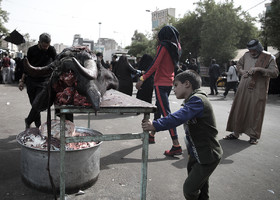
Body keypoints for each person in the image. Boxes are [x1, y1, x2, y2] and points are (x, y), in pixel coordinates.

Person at [142, 70, 223, 199]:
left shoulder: (198, 100)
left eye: (175, 85)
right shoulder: (191, 100)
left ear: (187, 84)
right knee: (201, 190)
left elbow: (177, 117)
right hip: (197, 154)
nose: (173, 89)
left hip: (207, 155)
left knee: (189, 189)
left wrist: (155, 125)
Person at [136, 25, 182, 156]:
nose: (157, 37)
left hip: (160, 83)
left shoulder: (163, 46)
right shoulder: (177, 47)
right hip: (168, 83)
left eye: (158, 35)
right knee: (159, 109)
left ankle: (176, 144)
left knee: (167, 114)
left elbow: (155, 64)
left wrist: (142, 78)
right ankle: (151, 135)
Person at [224, 39, 279, 144]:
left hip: (259, 88)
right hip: (243, 86)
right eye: (250, 50)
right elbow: (238, 65)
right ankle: (236, 133)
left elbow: (275, 73)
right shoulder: (246, 55)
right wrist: (242, 71)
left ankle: (253, 136)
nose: (252, 52)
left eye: (254, 50)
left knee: (255, 111)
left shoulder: (268, 57)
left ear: (258, 48)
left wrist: (260, 69)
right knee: (239, 108)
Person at [19, 33, 57, 129]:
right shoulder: (31, 50)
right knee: (34, 105)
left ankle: (29, 121)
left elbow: (57, 63)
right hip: (31, 81)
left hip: (44, 82)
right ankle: (38, 127)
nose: (45, 48)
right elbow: (26, 67)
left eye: (47, 46)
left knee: (38, 104)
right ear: (39, 42)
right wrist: (22, 81)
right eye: (44, 46)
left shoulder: (51, 50)